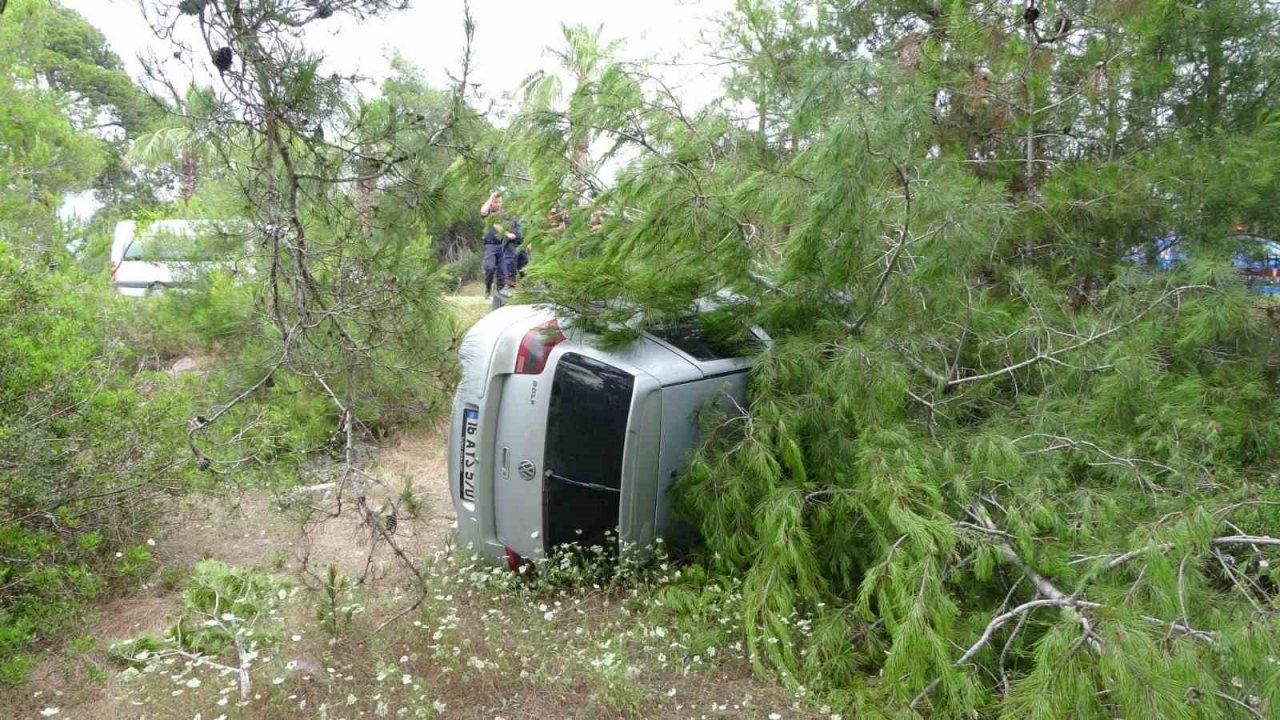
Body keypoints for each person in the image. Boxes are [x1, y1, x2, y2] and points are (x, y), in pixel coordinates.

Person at [479, 190, 522, 297]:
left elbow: (513, 223)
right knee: (490, 267)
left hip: (502, 244)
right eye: (495, 202)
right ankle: (488, 288)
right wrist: (491, 197)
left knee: (502, 271)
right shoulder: (489, 213)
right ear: (491, 202)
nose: (498, 204)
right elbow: (484, 212)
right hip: (490, 245)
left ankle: (500, 290)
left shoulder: (504, 214)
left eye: (499, 202)